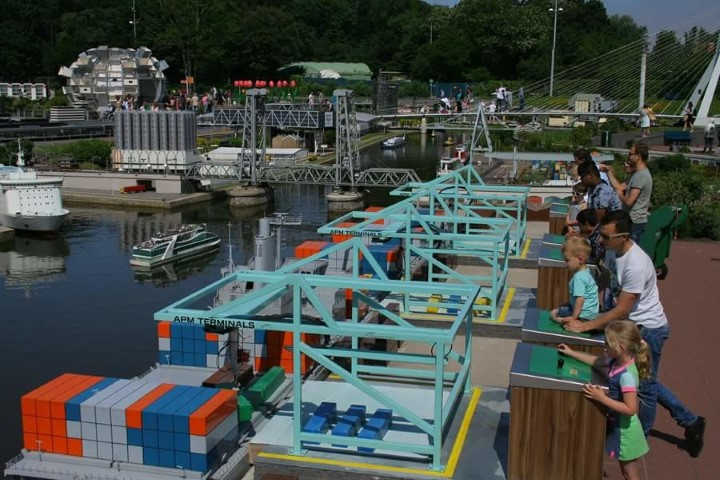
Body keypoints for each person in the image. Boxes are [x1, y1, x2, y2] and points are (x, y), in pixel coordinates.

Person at [564, 211, 706, 457]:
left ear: (624, 236)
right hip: (632, 325)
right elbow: (609, 287)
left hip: (647, 329)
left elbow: (623, 308)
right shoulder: (614, 251)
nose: (602, 241)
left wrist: (586, 326)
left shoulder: (636, 264)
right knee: (642, 380)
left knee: (646, 389)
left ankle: (642, 437)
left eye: (606, 237)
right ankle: (690, 420)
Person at [558, 320, 650, 480]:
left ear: (620, 348)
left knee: (629, 472)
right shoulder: (617, 362)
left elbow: (631, 409)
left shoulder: (627, 376)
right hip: (618, 426)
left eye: (607, 343)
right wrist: (571, 353)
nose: (604, 345)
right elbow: (596, 361)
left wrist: (601, 398)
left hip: (626, 432)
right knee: (626, 470)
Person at [601, 143, 652, 241]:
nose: (628, 156)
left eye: (630, 154)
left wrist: (619, 194)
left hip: (635, 221)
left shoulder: (641, 176)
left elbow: (629, 201)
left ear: (638, 156)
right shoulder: (637, 174)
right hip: (631, 220)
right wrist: (608, 172)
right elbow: (620, 187)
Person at [550, 236, 599, 323]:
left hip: (583, 315)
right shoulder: (586, 271)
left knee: (554, 313)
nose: (565, 263)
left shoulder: (579, 277)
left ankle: (563, 320)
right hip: (591, 313)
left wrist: (573, 317)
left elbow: (580, 299)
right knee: (561, 308)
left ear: (580, 259)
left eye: (567, 260)